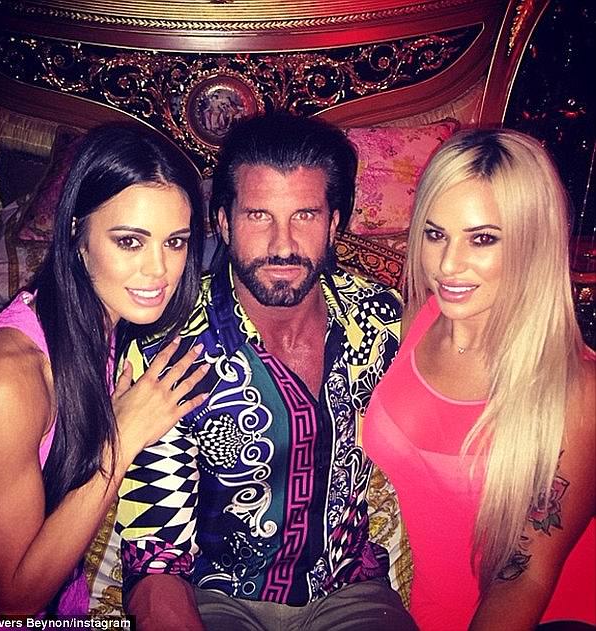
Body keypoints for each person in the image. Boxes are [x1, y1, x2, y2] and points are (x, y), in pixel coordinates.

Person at [114, 112, 417, 630]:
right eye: (258, 215)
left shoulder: (381, 319)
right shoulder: (170, 349)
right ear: (224, 223)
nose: (282, 244)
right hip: (214, 599)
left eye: (305, 215)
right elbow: (156, 558)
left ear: (334, 224)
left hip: (352, 593)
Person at [0, 123, 209, 616]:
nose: (158, 271)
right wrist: (121, 441)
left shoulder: (104, 326)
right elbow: (15, 602)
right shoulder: (2, 379)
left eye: (175, 242)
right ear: (78, 234)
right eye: (130, 241)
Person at [363, 128, 596, 630]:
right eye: (435, 234)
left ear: (533, 243)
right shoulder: (417, 321)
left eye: (483, 239)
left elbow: (525, 576)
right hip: (405, 610)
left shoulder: (576, 391)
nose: (448, 265)